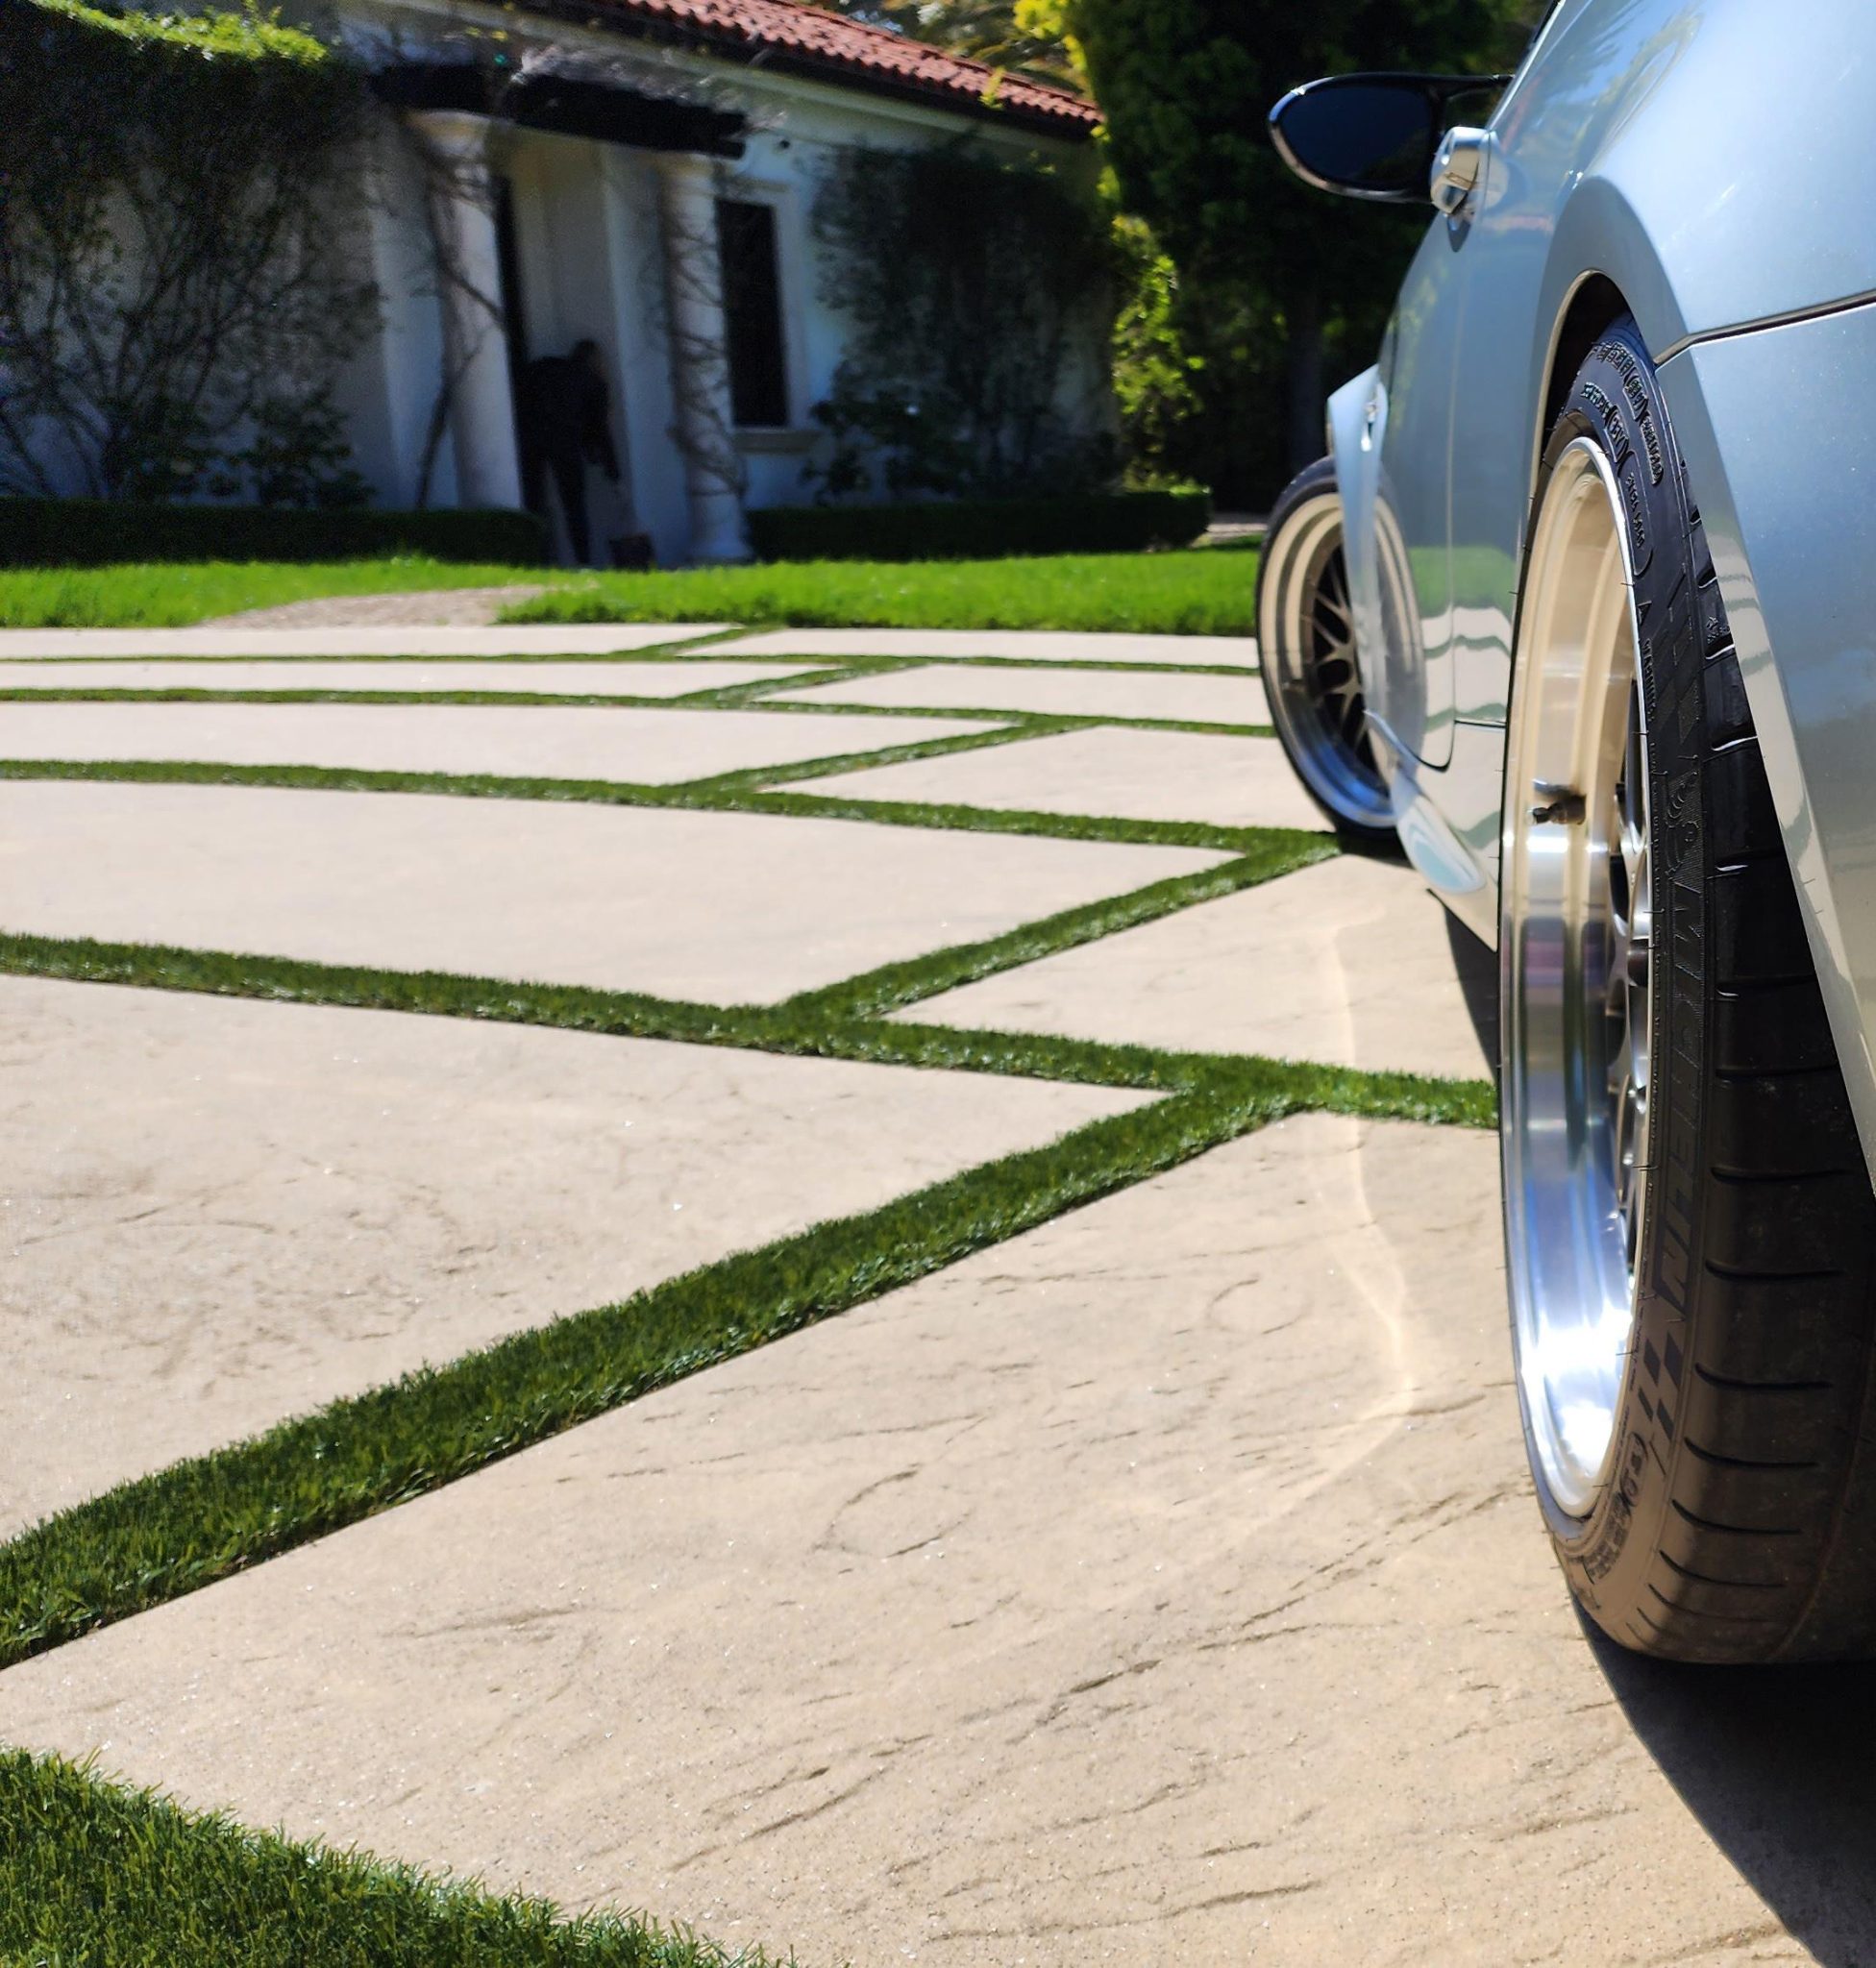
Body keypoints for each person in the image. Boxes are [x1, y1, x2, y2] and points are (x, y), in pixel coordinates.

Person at [516, 338, 620, 565]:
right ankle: (583, 561)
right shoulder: (593, 382)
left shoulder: (543, 368)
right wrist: (613, 472)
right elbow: (600, 431)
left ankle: (536, 558)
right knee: (574, 506)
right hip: (566, 444)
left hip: (532, 440)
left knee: (534, 503)